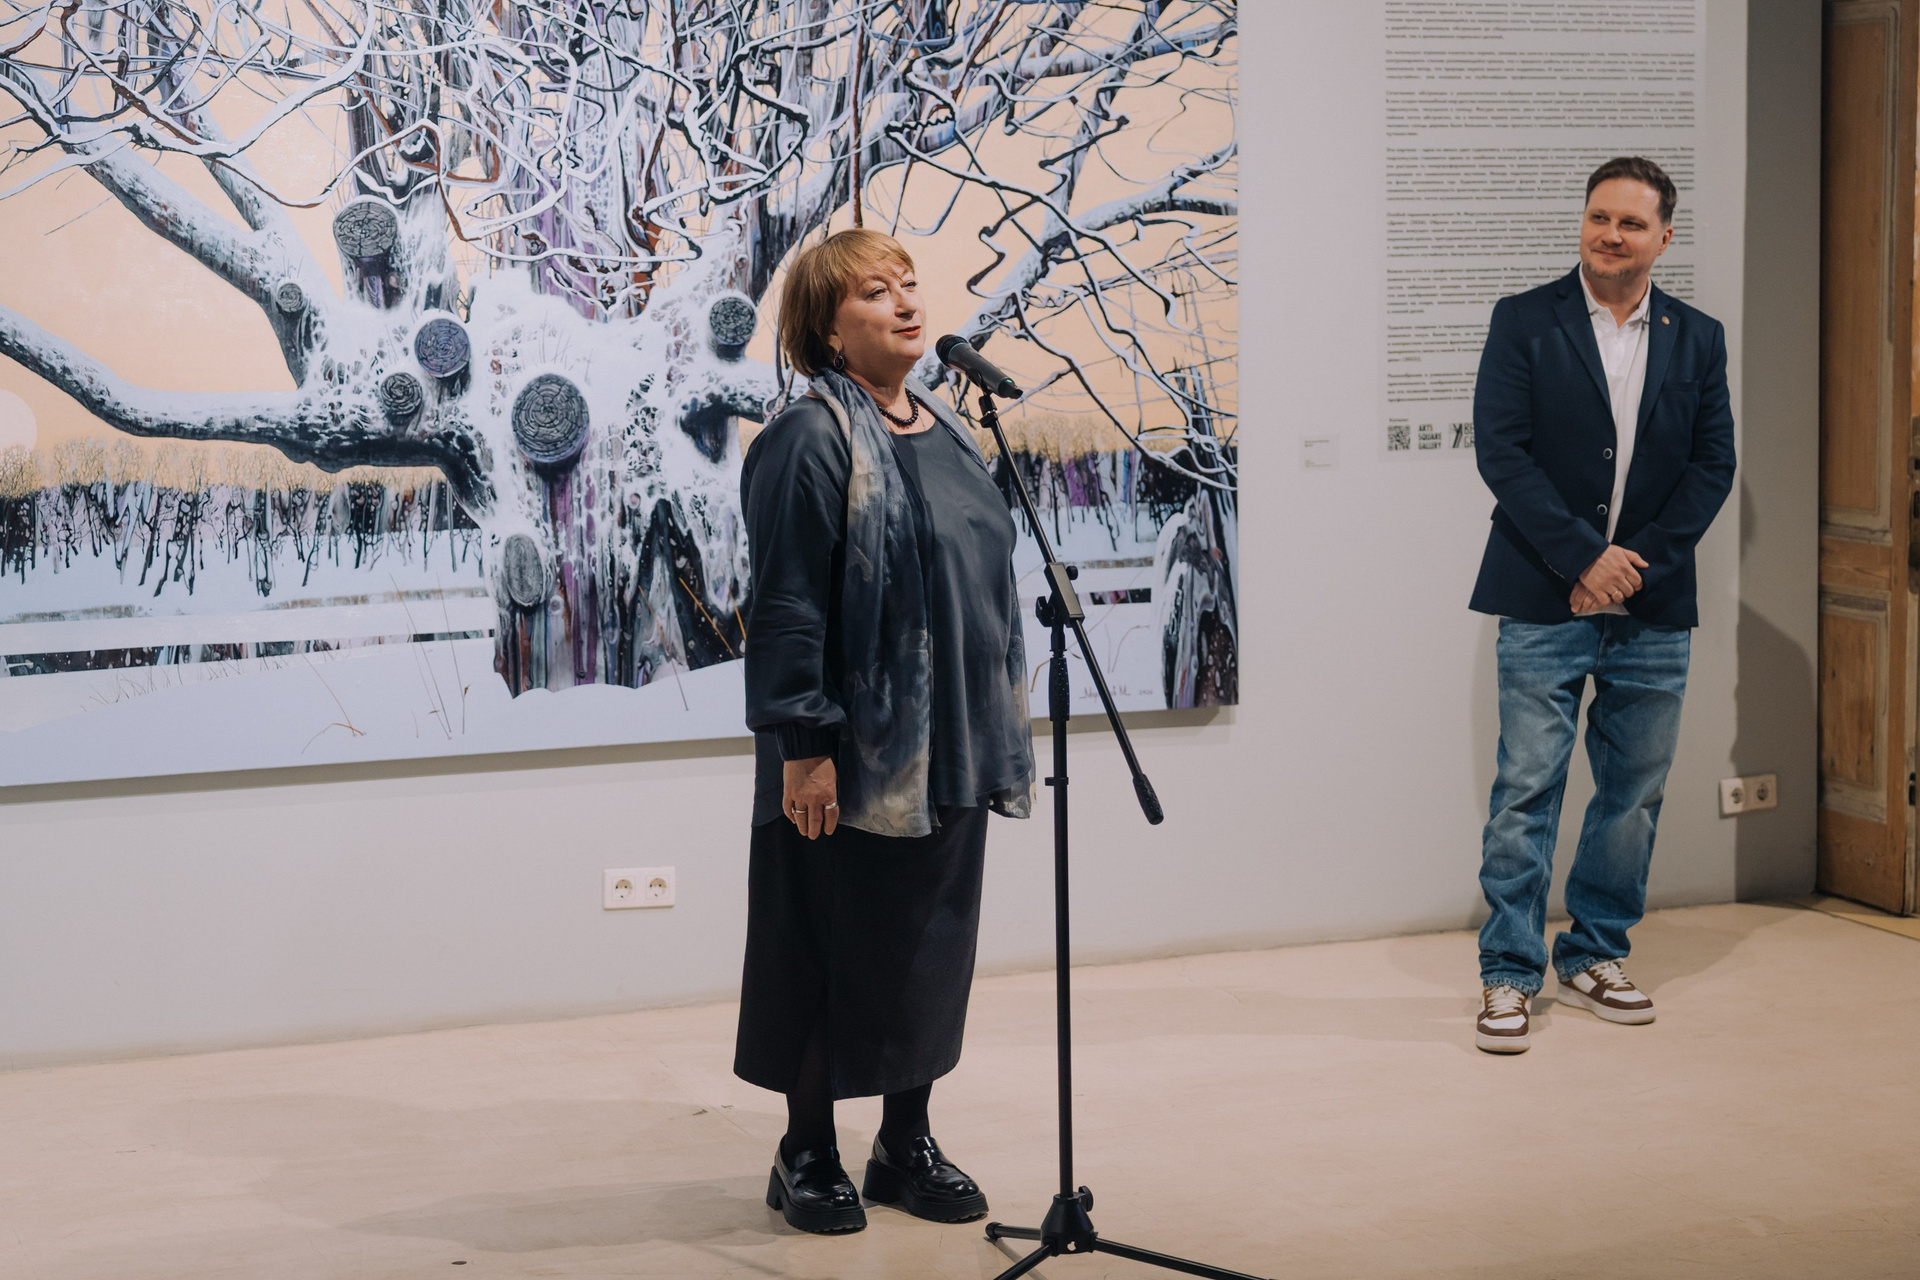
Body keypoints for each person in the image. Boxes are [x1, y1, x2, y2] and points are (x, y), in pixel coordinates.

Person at [732, 229, 1035, 1231]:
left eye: (909, 285)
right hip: (846, 754)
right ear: (828, 328)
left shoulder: (946, 428)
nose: (907, 303)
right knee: (826, 949)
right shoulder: (808, 437)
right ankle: (806, 1150)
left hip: (952, 744)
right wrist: (803, 745)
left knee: (924, 952)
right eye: (875, 292)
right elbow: (783, 604)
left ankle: (905, 1143)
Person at [1467, 156, 1736, 1054]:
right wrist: (1585, 557)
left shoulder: (1698, 337)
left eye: (1630, 223)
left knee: (1633, 794)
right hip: (1543, 593)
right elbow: (1502, 453)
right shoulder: (1524, 320)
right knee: (1526, 790)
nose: (1610, 235)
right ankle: (1509, 973)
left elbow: (1712, 466)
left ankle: (1594, 954)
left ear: (1664, 236)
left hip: (1651, 607)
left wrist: (1634, 568)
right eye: (1599, 217)